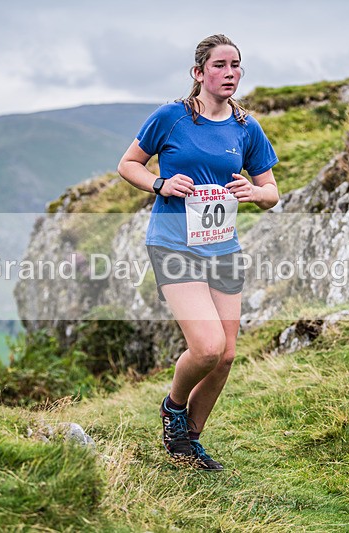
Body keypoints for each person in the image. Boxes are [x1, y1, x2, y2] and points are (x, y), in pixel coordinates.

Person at [117, 34, 279, 471]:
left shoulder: (246, 127)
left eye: (236, 65)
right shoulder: (171, 117)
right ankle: (173, 407)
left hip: (223, 248)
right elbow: (128, 164)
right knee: (206, 347)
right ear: (199, 73)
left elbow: (272, 192)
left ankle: (188, 443)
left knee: (226, 355)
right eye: (220, 65)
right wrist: (160, 184)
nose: (230, 73)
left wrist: (255, 191)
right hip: (173, 243)